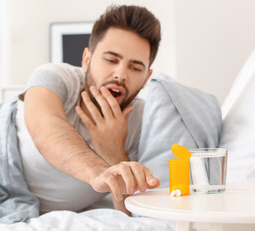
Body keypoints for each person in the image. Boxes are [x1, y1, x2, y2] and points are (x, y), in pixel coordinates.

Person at [16, 5, 161, 215]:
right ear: (86, 59)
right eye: (111, 60)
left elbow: (130, 215)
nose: (120, 74)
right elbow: (46, 128)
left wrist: (114, 152)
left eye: (135, 67)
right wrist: (99, 172)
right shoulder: (55, 77)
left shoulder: (142, 121)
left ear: (146, 78)